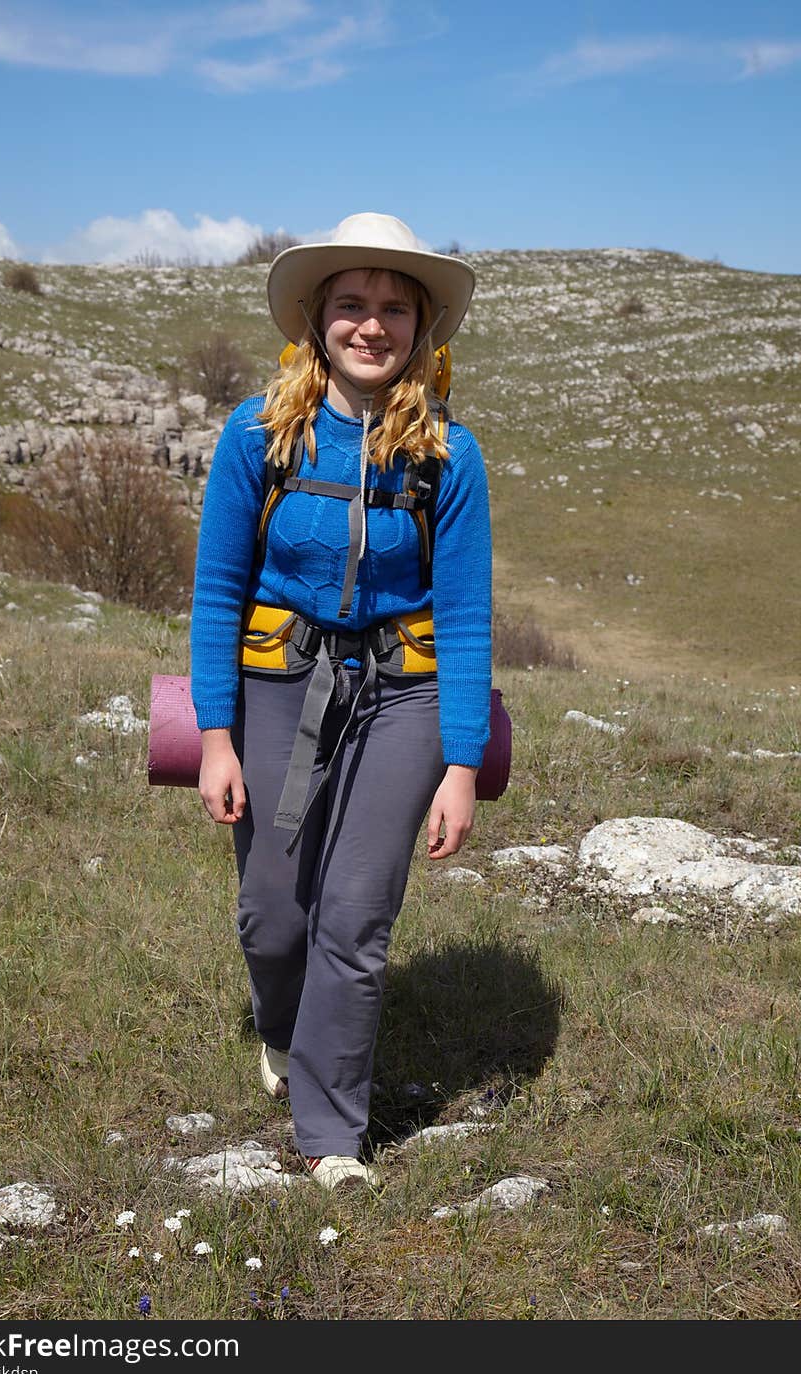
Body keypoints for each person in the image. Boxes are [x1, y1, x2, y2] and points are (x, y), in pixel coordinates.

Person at [190, 212, 492, 1190]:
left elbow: (467, 616)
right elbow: (215, 591)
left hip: (403, 698)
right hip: (278, 687)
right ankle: (280, 1031)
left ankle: (328, 1132)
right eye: (351, 304)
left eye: (392, 307)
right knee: (274, 914)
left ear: (420, 326)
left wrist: (459, 763)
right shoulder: (256, 434)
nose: (371, 325)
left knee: (355, 914)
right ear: (317, 319)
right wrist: (213, 735)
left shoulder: (451, 456)